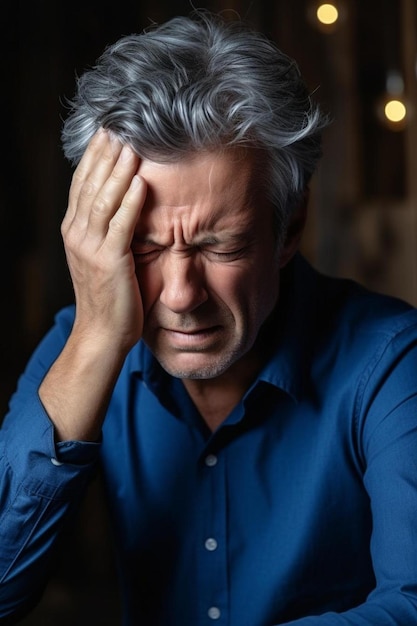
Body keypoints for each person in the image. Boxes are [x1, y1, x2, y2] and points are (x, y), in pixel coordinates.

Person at [1, 10, 417, 626]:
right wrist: (94, 343)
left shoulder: (390, 359)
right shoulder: (78, 347)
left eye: (218, 247)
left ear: (289, 227)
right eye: (141, 246)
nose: (179, 295)